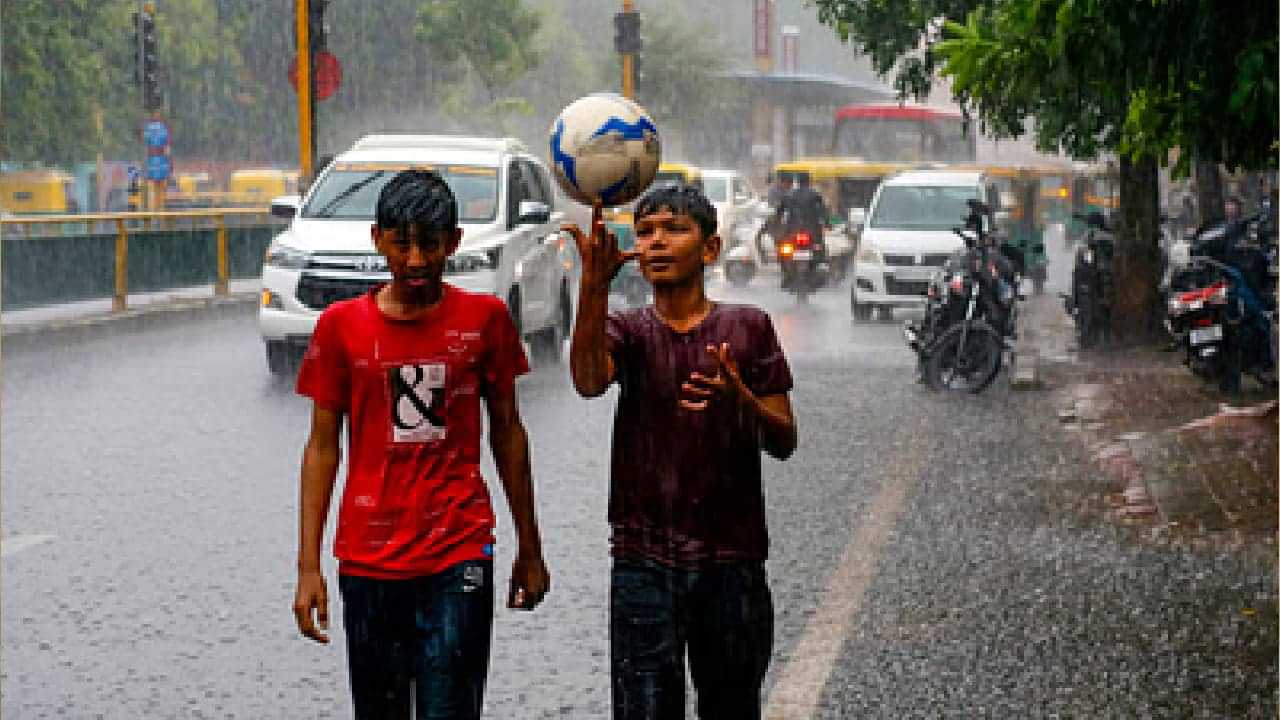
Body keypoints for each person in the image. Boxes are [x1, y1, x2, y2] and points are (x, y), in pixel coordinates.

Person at [291, 169, 550, 719]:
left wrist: (530, 545)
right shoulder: (341, 327)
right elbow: (321, 447)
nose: (414, 260)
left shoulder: (485, 320)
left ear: (453, 242)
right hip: (368, 557)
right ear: (378, 239)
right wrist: (307, 565)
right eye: (401, 243)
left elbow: (508, 431)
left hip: (458, 549)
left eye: (429, 245)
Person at [565, 185, 798, 719]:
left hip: (731, 563)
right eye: (645, 232)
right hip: (641, 563)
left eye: (674, 229)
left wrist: (743, 404)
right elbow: (587, 380)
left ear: (710, 248)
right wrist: (592, 288)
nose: (656, 243)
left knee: (732, 707)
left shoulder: (748, 328)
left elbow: (784, 440)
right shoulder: (628, 330)